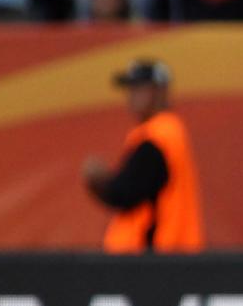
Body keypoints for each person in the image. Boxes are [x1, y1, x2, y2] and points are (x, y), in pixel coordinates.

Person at [84, 59, 206, 254]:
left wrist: (100, 181)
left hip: (154, 261)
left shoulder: (160, 136)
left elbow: (125, 192)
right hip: (164, 260)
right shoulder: (166, 132)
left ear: (160, 91)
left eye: (139, 89)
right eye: (130, 90)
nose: (131, 97)